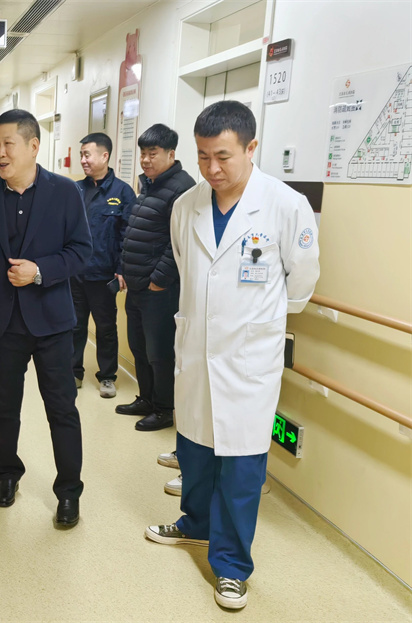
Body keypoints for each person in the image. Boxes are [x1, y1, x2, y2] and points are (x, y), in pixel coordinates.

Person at [145, 101, 320, 610]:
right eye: (203, 156)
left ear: (251, 147)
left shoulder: (285, 206)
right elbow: (187, 267)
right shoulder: (187, 206)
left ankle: (231, 566)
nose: (212, 168)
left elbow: (301, 285)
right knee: (195, 452)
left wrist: (253, 321)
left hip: (249, 359)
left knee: (242, 468)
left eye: (222, 156)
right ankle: (195, 524)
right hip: (196, 351)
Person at [0, 109, 92, 528]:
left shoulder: (65, 193)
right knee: (3, 408)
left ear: (33, 146)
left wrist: (40, 271)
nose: (0, 153)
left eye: (8, 144)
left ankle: (68, 492)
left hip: (53, 323)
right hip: (3, 325)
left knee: (62, 410)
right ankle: (7, 474)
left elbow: (82, 251)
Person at [116, 123, 196, 435]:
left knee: (159, 353)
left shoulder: (182, 188)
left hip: (159, 289)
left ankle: (164, 409)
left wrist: (159, 279)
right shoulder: (149, 184)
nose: (145, 160)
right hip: (137, 285)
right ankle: (146, 398)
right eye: (143, 154)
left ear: (171, 154)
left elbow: (179, 242)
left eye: (153, 154)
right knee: (138, 346)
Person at [72, 133, 135, 397]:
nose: (83, 160)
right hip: (75, 274)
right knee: (74, 326)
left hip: (104, 275)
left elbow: (127, 236)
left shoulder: (123, 192)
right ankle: (73, 372)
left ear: (104, 155)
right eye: (81, 155)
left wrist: (122, 269)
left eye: (87, 155)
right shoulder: (75, 190)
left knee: (106, 328)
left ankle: (107, 376)